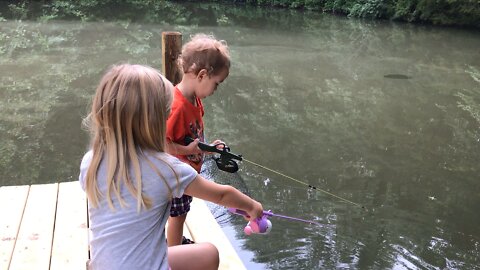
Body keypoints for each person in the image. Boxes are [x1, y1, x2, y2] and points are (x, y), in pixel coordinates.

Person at [79, 64, 263, 270]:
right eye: (166, 115)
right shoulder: (166, 169)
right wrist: (252, 207)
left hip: (104, 265)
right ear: (155, 122)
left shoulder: (91, 161)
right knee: (209, 254)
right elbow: (222, 195)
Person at [165, 33, 231, 246]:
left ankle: (172, 242)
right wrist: (186, 151)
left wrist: (209, 148)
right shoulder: (176, 106)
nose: (215, 90)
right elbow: (161, 144)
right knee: (178, 215)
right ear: (202, 75)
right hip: (176, 176)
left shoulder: (194, 100)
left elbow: (191, 138)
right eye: (216, 83)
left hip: (187, 174)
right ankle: (173, 252)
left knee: (180, 214)